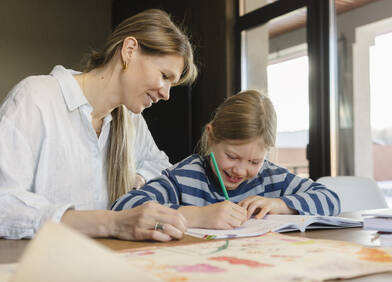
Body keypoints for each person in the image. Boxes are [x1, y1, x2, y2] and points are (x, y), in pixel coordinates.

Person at [0, 9, 197, 241]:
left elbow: (160, 166)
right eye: (165, 76)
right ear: (129, 50)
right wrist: (112, 223)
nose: (166, 94)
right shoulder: (36, 98)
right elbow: (4, 203)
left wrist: (136, 178)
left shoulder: (131, 119)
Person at [112, 90, 340, 229]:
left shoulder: (272, 178)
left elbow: (330, 199)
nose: (240, 171)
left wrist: (280, 205)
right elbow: (124, 208)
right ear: (211, 136)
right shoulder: (184, 177)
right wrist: (198, 216)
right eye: (232, 156)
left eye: (254, 162)